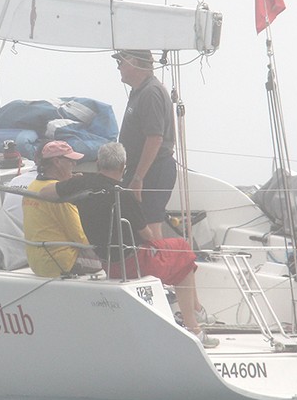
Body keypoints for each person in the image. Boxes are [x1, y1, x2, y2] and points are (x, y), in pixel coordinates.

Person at [40, 142, 219, 348]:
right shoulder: (124, 195)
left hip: (107, 262)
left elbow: (45, 192)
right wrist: (138, 201)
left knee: (180, 252)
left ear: (98, 163)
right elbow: (148, 235)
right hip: (131, 262)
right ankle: (194, 327)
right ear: (123, 166)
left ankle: (197, 310)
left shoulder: (83, 184)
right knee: (183, 251)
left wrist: (72, 186)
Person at [113, 49, 176, 240]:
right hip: (143, 168)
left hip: (153, 169)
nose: (119, 68)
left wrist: (138, 178)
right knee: (139, 221)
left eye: (121, 62)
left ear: (134, 62)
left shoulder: (150, 92)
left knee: (149, 223)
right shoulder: (139, 91)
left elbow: (155, 138)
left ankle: (158, 267)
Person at [22, 141, 101, 278]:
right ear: (57, 161)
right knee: (110, 260)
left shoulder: (32, 187)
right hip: (62, 262)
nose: (74, 165)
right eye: (70, 161)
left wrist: (69, 183)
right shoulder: (59, 195)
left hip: (37, 262)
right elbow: (80, 236)